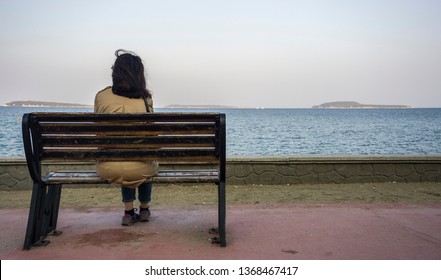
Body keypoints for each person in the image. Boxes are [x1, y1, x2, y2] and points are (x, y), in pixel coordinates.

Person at [94, 49, 159, 226]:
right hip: (140, 168)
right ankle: (144, 209)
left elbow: (98, 132)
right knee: (144, 159)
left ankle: (128, 212)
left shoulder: (101, 96)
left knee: (122, 153)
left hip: (109, 167)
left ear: (115, 73)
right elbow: (151, 137)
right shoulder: (146, 99)